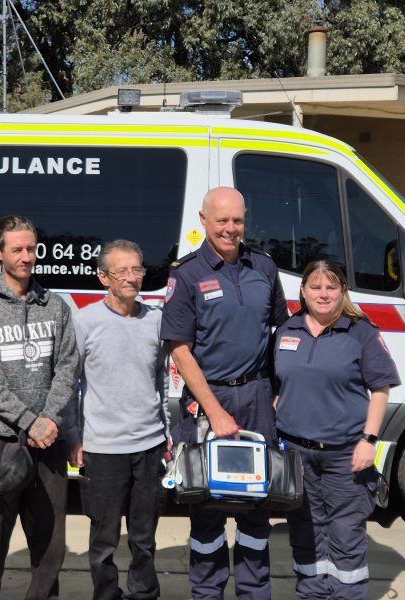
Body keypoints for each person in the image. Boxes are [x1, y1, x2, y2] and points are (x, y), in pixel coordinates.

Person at [160, 186, 288, 600]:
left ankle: (254, 592)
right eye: (222, 221)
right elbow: (179, 349)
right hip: (208, 401)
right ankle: (207, 592)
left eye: (238, 220)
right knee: (207, 508)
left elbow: (281, 333)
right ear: (203, 221)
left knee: (256, 507)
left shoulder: (265, 267)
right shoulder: (187, 273)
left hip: (257, 398)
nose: (231, 229)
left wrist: (276, 391)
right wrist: (214, 411)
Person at [0, 215, 80, 600]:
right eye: (18, 249)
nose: (26, 256)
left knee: (50, 546)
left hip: (49, 443)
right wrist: (30, 421)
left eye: (31, 248)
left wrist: (46, 422)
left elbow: (66, 368)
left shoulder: (56, 307)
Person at [273, 260, 400, 600]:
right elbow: (276, 388)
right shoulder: (287, 331)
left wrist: (368, 440)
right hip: (296, 454)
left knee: (345, 535)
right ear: (303, 291)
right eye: (315, 286)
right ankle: (312, 594)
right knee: (305, 532)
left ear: (343, 291)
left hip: (345, 455)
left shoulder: (361, 332)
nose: (323, 294)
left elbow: (381, 388)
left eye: (331, 287)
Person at [70, 239, 170, 600]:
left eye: (137, 269)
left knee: (144, 539)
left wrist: (167, 432)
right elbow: (69, 384)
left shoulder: (156, 322)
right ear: (103, 278)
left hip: (149, 446)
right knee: (104, 541)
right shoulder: (84, 321)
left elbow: (160, 380)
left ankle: (144, 594)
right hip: (103, 449)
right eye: (122, 271)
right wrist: (74, 437)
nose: (132, 278)